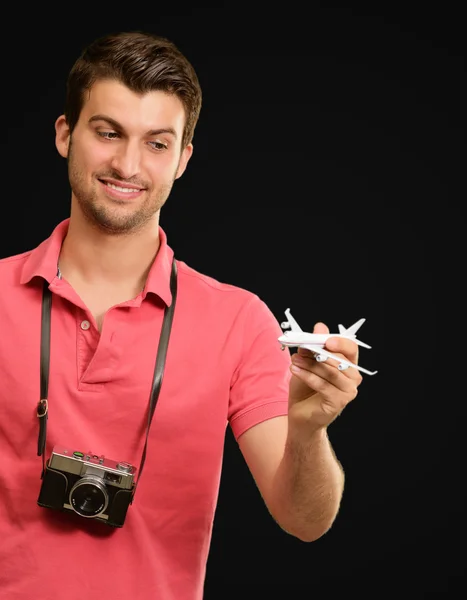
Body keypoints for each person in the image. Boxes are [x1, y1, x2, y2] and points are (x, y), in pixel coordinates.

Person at [0, 31, 365, 599]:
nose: (127, 164)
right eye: (108, 132)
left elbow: (305, 520)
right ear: (65, 134)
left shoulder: (239, 321)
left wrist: (310, 430)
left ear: (183, 159)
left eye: (157, 143)